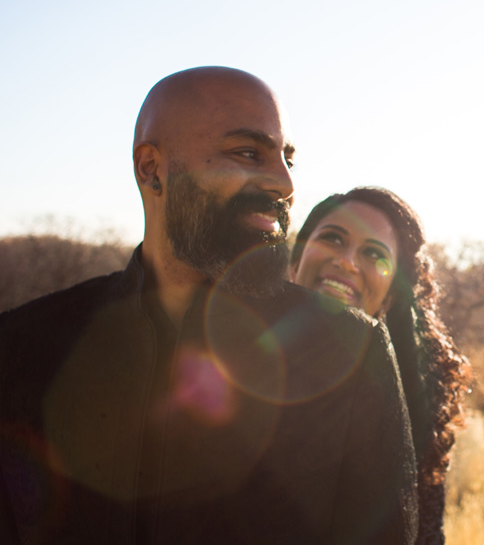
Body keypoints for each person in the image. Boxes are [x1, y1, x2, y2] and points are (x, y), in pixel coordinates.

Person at [0, 67, 417, 543]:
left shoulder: (349, 351)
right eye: (247, 153)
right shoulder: (22, 349)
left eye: (287, 159)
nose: (284, 183)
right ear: (151, 168)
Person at [291, 187, 470, 545]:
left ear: (390, 295)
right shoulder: (224, 363)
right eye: (332, 238)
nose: (347, 262)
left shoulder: (410, 412)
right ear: (295, 260)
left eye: (373, 253)